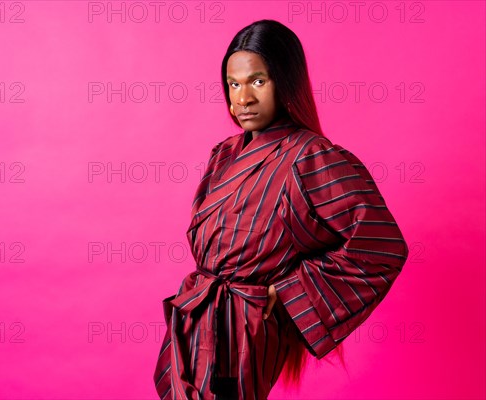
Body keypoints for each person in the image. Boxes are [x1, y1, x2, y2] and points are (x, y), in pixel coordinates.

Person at [153, 19, 409, 400]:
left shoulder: (312, 157)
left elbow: (382, 246)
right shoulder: (224, 154)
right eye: (233, 84)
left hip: (244, 329)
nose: (243, 98)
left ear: (285, 82)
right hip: (196, 315)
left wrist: (290, 291)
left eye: (258, 81)